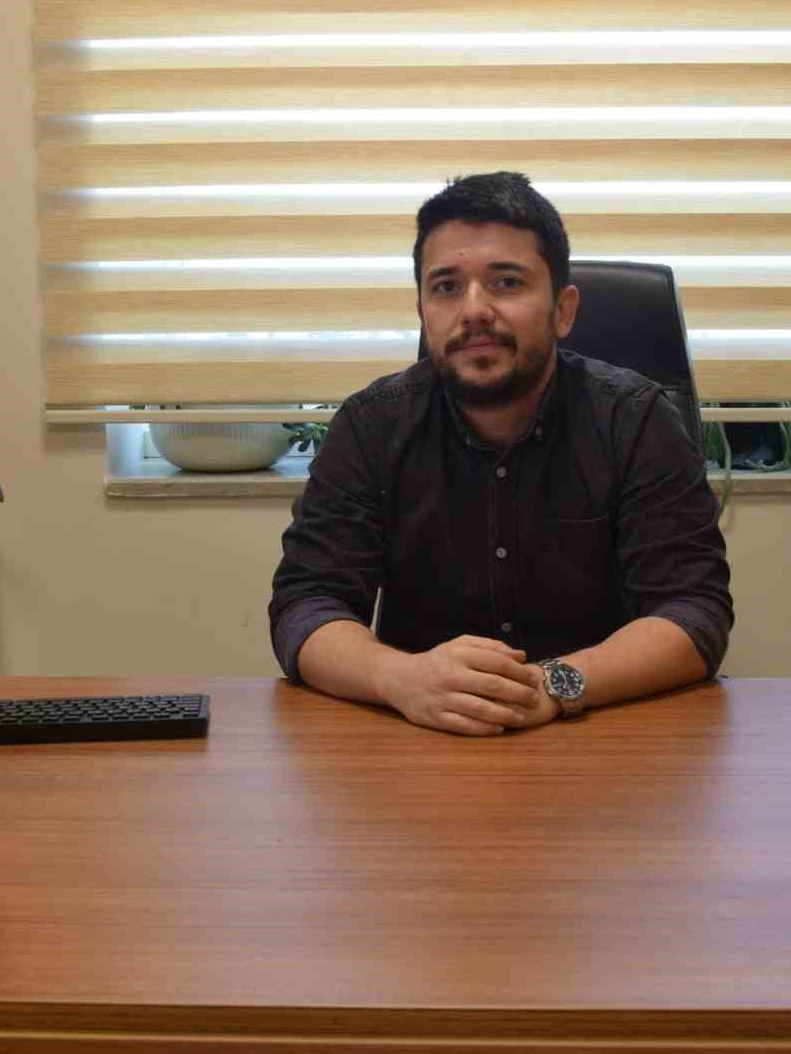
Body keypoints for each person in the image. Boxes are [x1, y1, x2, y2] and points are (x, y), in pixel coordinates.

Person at [269, 171, 733, 735]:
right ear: (423, 311)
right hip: (419, 740)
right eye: (446, 287)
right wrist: (399, 677)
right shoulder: (371, 426)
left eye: (507, 282)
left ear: (563, 310)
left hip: (603, 734)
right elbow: (307, 604)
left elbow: (692, 611)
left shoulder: (634, 419)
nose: (473, 310)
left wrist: (552, 685)